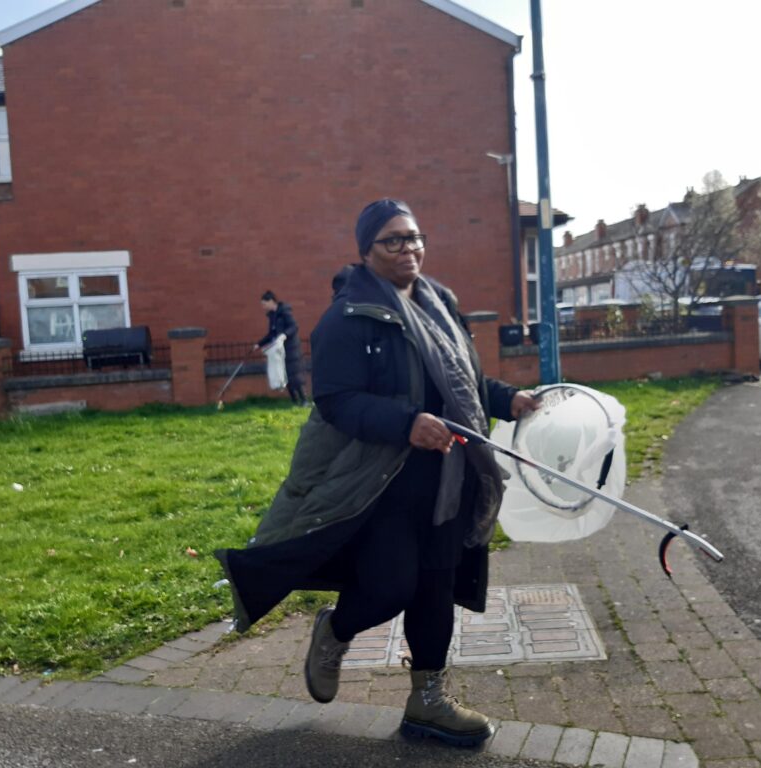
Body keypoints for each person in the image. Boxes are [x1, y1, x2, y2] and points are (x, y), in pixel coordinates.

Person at [216, 198, 539, 748]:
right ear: (366, 251)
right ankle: (335, 630)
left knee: (436, 588)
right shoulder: (347, 317)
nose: (408, 249)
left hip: (448, 476)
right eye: (393, 240)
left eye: (414, 237)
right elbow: (336, 400)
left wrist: (510, 400)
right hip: (381, 480)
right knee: (392, 586)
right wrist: (406, 422)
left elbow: (462, 381)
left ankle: (428, 702)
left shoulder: (441, 302)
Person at [255, 291, 308, 405]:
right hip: (280, 349)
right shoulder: (272, 316)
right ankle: (294, 400)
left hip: (291, 348)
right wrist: (259, 344)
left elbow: (294, 326)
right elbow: (271, 334)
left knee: (295, 374)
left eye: (264, 304)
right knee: (284, 374)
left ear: (271, 301)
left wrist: (284, 335)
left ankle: (304, 400)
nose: (263, 307)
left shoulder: (285, 311)